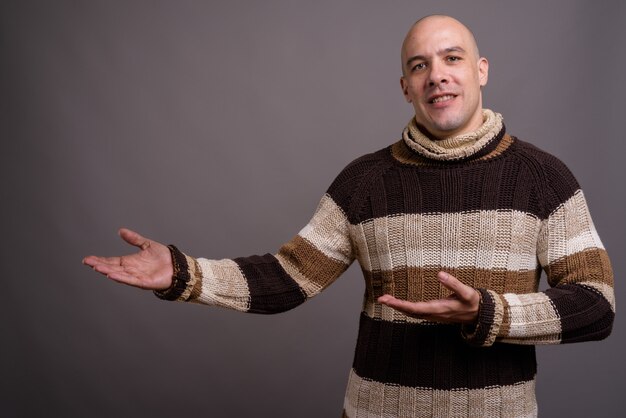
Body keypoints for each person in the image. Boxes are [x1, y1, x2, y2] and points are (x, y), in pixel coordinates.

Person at [83, 15, 615, 417]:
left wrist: (489, 314)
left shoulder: (543, 177)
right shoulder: (365, 182)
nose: (437, 76)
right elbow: (287, 278)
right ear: (405, 86)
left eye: (452, 58)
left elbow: (596, 307)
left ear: (481, 71)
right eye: (419, 65)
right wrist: (183, 274)